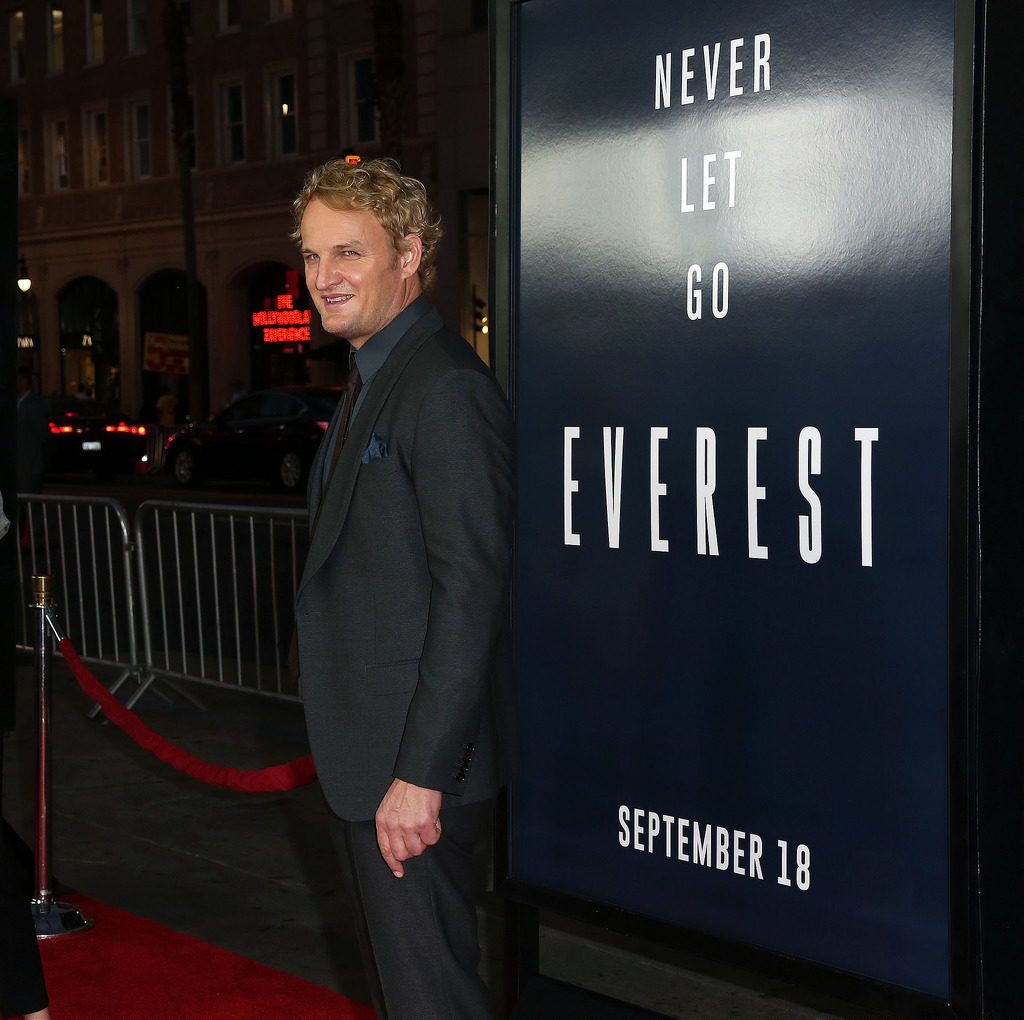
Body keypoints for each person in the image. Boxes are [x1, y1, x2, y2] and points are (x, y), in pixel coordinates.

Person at [292, 158, 514, 1018]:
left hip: (413, 776)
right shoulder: (373, 379)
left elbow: (473, 590)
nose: (324, 279)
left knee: (432, 1002)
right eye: (312, 258)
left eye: (349, 253)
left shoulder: (445, 386)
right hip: (374, 759)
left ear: (410, 253)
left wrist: (421, 776)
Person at [15, 368, 48, 496]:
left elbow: (42, 433)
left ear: (24, 382)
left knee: (30, 502)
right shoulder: (17, 402)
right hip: (19, 463)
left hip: (29, 464)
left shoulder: (34, 404)